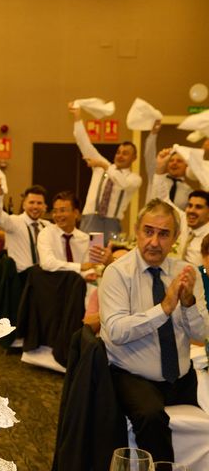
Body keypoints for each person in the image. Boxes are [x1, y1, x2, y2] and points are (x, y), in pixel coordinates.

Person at [99, 198, 209, 462]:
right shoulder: (117, 273)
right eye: (148, 231)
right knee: (151, 417)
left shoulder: (187, 272)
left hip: (180, 379)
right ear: (137, 231)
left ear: (176, 238)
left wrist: (188, 303)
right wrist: (165, 308)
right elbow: (115, 331)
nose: (154, 242)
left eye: (164, 234)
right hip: (132, 374)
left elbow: (201, 333)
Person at [69, 104, 142, 244]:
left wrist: (104, 165)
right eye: (118, 152)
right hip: (91, 220)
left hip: (112, 223)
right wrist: (78, 117)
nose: (120, 156)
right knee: (92, 257)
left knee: (110, 258)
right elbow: (84, 143)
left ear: (134, 159)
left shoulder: (134, 179)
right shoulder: (101, 166)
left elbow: (122, 183)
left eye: (125, 154)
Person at [152, 149, 209, 266]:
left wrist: (200, 274)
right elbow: (162, 199)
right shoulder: (183, 220)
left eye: (198, 207)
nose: (191, 210)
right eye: (190, 205)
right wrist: (159, 170)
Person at [0, 176, 50, 275]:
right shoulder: (14, 222)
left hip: (44, 277)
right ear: (24, 205)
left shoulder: (47, 226)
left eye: (39, 203)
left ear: (44, 206)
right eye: (31, 202)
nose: (35, 206)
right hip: (21, 278)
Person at [37, 191, 99, 282]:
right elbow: (47, 263)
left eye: (62, 210)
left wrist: (87, 274)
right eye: (55, 211)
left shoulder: (85, 238)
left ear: (76, 213)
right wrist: (80, 267)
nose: (58, 215)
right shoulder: (46, 233)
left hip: (78, 288)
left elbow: (88, 266)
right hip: (53, 286)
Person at [143, 120, 190, 210]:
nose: (174, 163)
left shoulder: (189, 191)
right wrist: (153, 134)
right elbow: (148, 155)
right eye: (171, 160)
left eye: (179, 161)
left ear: (186, 166)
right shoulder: (156, 177)